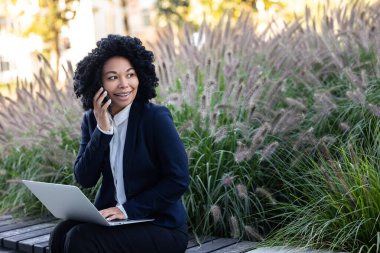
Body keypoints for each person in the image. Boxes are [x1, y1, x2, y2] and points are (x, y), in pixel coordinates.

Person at [49, 34, 190, 253]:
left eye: (131, 75)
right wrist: (102, 130)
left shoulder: (155, 118)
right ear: (98, 83)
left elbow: (178, 178)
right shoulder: (91, 119)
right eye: (113, 77)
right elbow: (85, 178)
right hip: (117, 219)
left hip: (161, 225)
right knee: (60, 234)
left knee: (81, 239)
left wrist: (126, 210)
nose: (125, 84)